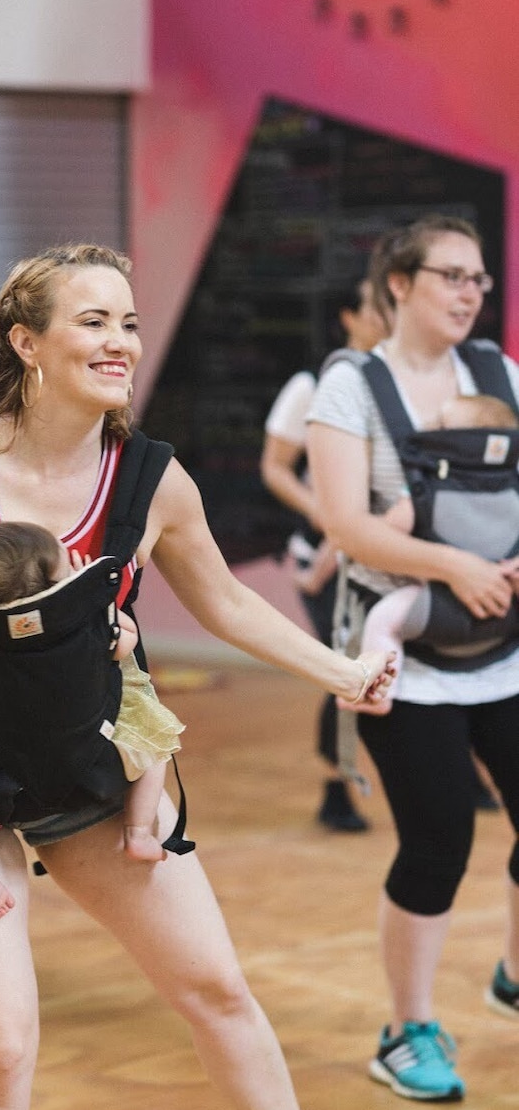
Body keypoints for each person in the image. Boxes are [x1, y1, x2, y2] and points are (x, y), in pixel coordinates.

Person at [0, 243, 395, 1110]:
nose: (123, 342)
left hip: (96, 764)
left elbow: (227, 603)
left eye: (130, 323)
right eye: (94, 320)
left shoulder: (151, 477)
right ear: (26, 343)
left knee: (218, 993)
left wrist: (346, 671)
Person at [307, 214, 519, 1102]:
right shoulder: (350, 387)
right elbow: (347, 526)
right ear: (399, 283)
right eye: (453, 276)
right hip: (402, 648)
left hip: (505, 641)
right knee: (440, 838)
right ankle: (407, 1029)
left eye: (480, 279)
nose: (473, 292)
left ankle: (513, 972)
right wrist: (454, 565)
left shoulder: (498, 371)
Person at [0, 520, 186, 916]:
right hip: (95, 771)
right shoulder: (87, 631)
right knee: (154, 747)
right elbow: (126, 640)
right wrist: (89, 597)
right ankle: (139, 832)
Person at [261, 273, 391, 831]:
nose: (387, 314)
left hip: (387, 550)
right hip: (327, 555)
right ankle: (336, 786)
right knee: (347, 662)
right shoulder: (310, 385)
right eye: (375, 304)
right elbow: (275, 467)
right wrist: (329, 517)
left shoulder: (395, 382)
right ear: (347, 315)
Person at [341, 393, 519, 719]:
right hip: (506, 608)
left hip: (437, 608)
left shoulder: (426, 490)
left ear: (459, 440)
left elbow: (385, 533)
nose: (428, 427)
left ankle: (376, 689)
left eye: (441, 424)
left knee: (384, 621)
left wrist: (366, 524)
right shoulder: (512, 488)